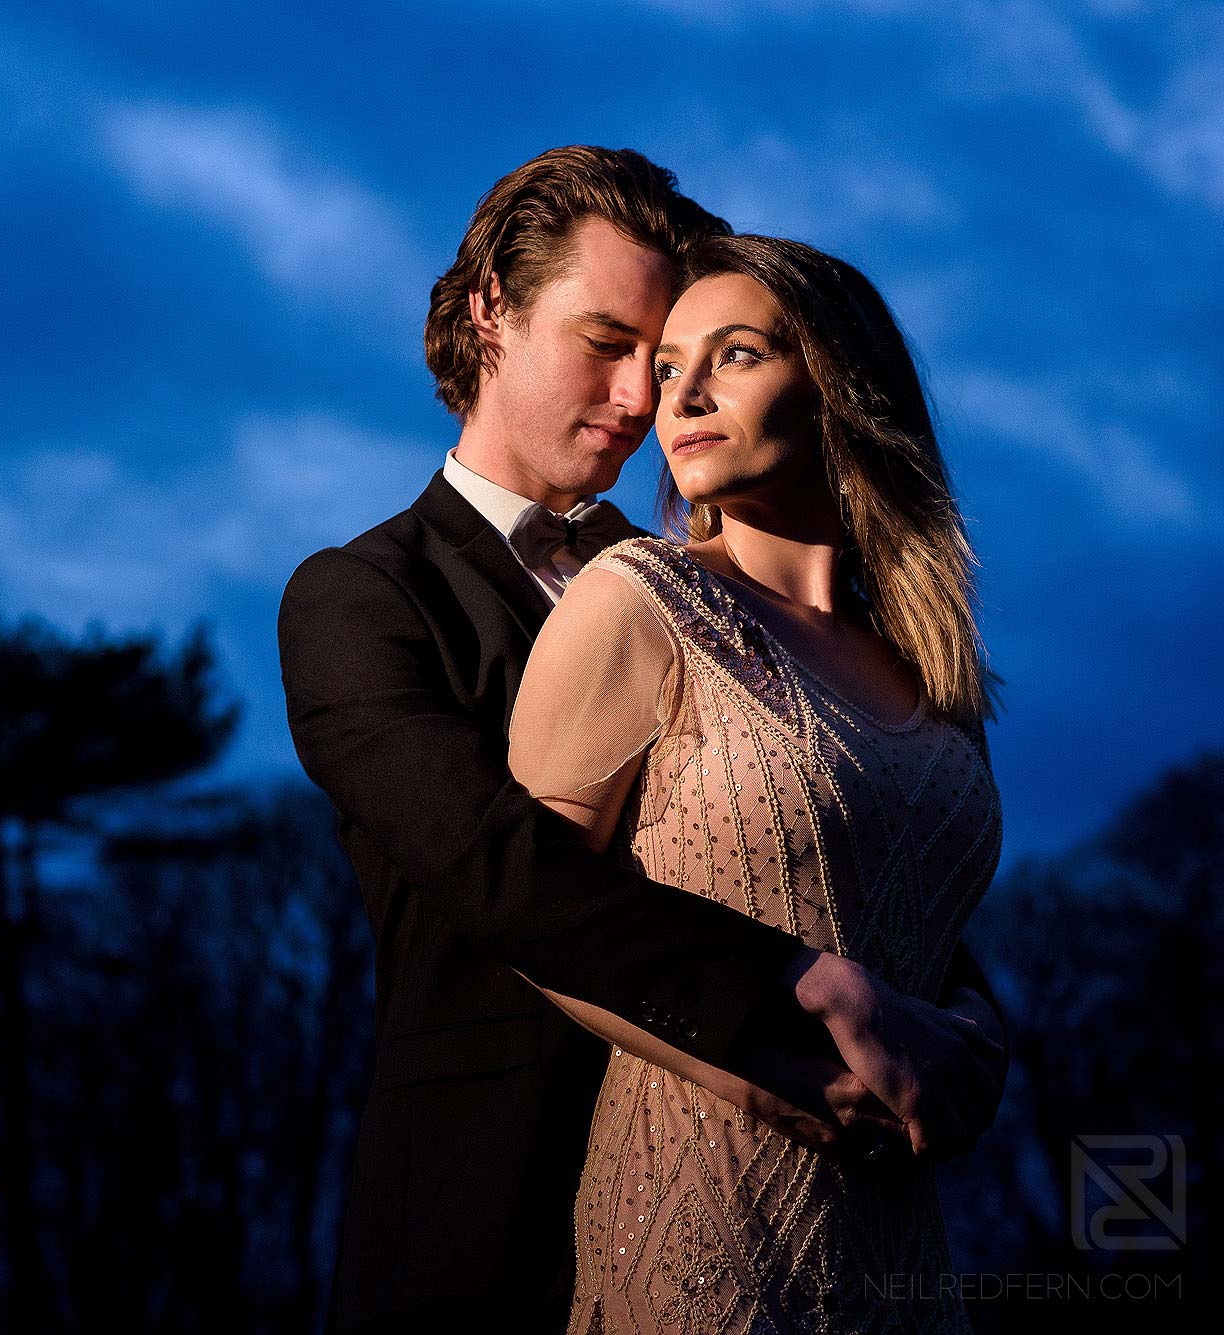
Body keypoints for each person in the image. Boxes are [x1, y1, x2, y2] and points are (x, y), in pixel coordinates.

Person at [275, 147, 1007, 1330]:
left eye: (658, 361)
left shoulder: (709, 586)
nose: (640, 400)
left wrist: (955, 1016)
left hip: (794, 1194)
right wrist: (798, 996)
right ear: (490, 314)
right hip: (495, 1205)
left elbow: (825, 844)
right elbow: (493, 861)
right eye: (608, 345)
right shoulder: (361, 598)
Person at [507, 233, 1004, 1332]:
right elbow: (531, 913)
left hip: (901, 1242)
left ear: (836, 384)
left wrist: (976, 1031)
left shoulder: (929, 666)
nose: (679, 393)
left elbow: (919, 914)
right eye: (669, 365)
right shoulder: (636, 598)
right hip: (703, 1223)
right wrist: (769, 1072)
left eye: (732, 355)